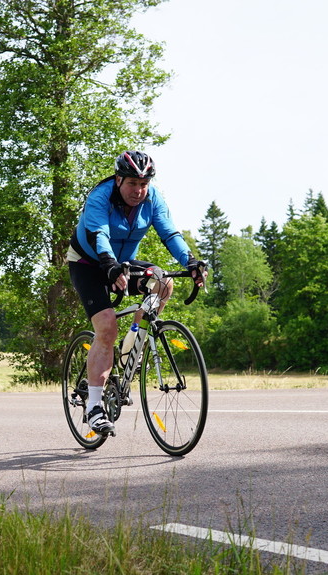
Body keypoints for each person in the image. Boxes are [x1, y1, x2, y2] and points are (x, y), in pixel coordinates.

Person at [66, 151, 206, 435]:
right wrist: (109, 265)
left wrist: (190, 261)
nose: (138, 191)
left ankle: (132, 346)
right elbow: (98, 234)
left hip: (124, 264)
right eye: (132, 183)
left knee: (164, 282)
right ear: (119, 179)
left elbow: (169, 233)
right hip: (89, 263)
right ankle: (94, 407)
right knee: (106, 326)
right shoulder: (99, 197)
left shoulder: (153, 198)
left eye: (143, 184)